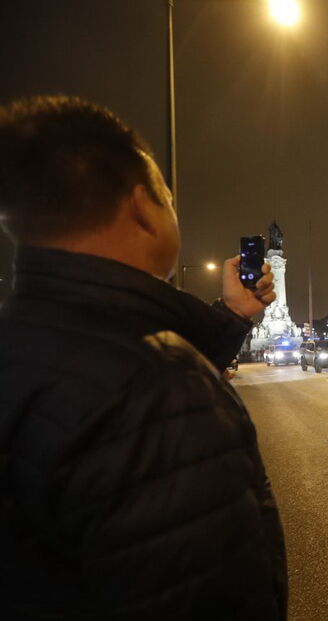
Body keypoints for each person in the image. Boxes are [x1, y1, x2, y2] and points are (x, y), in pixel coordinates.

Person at [0, 96, 287, 620]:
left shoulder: (24, 341)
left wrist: (232, 315)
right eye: (168, 199)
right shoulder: (157, 390)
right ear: (140, 208)